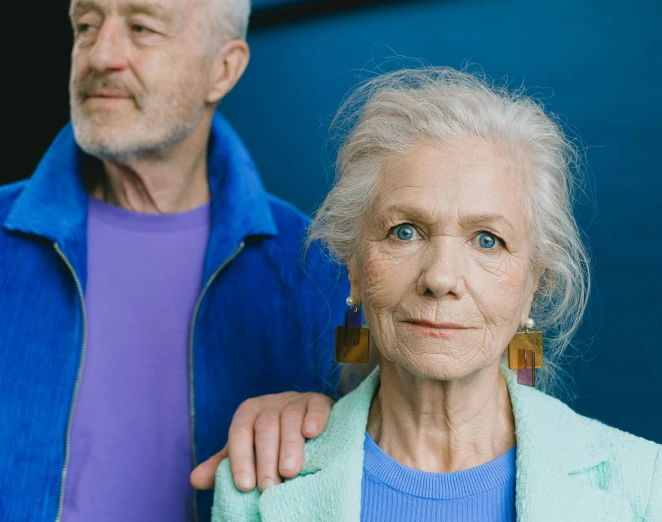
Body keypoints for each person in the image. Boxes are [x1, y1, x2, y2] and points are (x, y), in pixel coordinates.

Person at [0, 0, 345, 520]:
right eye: (86, 25)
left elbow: (379, 400)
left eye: (141, 27)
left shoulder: (321, 267)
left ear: (224, 68)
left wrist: (338, 413)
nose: (101, 54)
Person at [212, 67, 662, 521]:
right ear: (354, 271)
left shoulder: (646, 484)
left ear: (533, 287)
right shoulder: (256, 490)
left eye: (488, 239)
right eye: (404, 232)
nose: (441, 277)